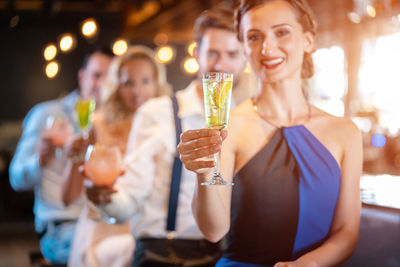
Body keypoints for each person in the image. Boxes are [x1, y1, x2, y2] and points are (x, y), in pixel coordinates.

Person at [178, 0, 363, 266]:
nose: (267, 48)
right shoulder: (229, 127)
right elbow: (214, 230)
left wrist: (308, 264)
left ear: (308, 40)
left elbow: (347, 231)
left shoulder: (345, 133)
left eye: (282, 32)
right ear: (244, 48)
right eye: (254, 37)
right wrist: (204, 173)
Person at [86, 4, 256, 267]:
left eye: (232, 54)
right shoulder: (158, 112)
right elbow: (130, 194)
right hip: (164, 253)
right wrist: (106, 197)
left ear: (244, 57)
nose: (221, 64)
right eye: (212, 53)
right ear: (197, 53)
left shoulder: (248, 120)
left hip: (224, 255)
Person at [64, 45, 171, 267]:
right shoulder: (99, 125)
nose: (137, 91)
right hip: (105, 230)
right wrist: (74, 158)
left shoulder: (166, 127)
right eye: (128, 83)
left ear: (157, 84)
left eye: (145, 81)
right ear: (116, 86)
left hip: (149, 225)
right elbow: (68, 197)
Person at [9, 47, 113, 265]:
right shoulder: (47, 114)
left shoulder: (115, 124)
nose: (102, 83)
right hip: (62, 226)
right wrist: (38, 160)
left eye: (110, 77)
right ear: (82, 76)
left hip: (105, 220)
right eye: (97, 75)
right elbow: (16, 179)